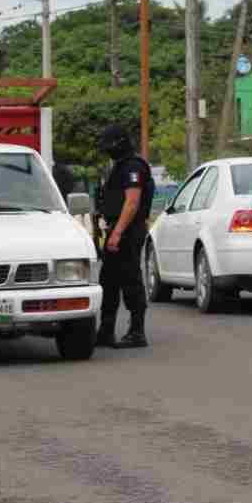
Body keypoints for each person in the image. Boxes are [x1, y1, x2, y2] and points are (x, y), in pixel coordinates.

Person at [95, 124, 154, 349]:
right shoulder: (119, 166)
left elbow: (132, 203)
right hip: (116, 228)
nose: (106, 150)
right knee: (108, 281)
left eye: (108, 145)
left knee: (130, 279)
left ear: (119, 143)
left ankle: (137, 332)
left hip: (128, 230)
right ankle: (106, 331)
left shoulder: (133, 166)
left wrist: (117, 232)